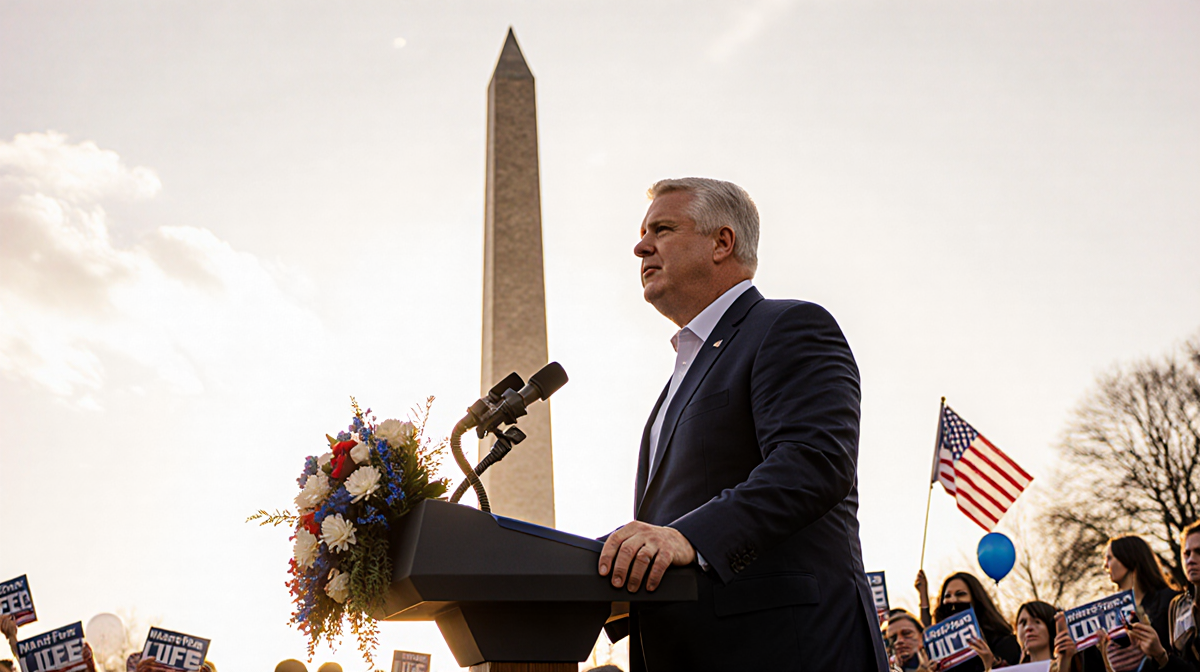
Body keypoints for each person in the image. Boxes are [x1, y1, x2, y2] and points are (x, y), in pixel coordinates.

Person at [596, 177, 887, 670]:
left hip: (787, 650)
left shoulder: (789, 326)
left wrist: (686, 537)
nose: (640, 246)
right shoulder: (678, 380)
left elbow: (814, 463)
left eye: (662, 229)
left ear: (722, 242)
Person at [1087, 535, 1182, 671]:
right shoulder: (1110, 615)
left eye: (1110, 558)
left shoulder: (1170, 602)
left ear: (1128, 558)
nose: (1105, 565)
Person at [917, 571, 1021, 665]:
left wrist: (992, 663)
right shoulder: (939, 653)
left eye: (960, 594)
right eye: (947, 596)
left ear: (976, 600)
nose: (953, 600)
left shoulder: (1004, 642)